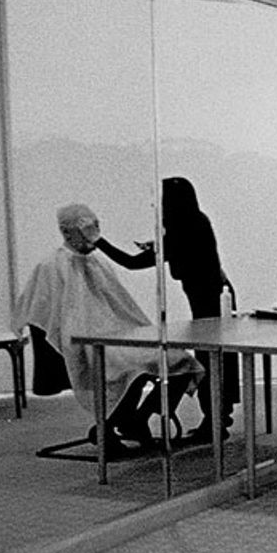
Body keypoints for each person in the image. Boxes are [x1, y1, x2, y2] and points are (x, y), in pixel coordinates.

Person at [14, 203, 202, 452]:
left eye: (97, 226)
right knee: (129, 368)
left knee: (182, 362)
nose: (94, 233)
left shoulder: (98, 263)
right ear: (67, 233)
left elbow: (122, 307)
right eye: (87, 229)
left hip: (122, 336)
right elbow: (42, 314)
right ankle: (112, 423)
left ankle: (138, 418)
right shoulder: (51, 266)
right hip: (87, 342)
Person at [94, 177, 237, 444]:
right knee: (215, 360)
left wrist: (99, 242)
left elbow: (132, 263)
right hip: (215, 295)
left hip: (210, 301)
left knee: (210, 360)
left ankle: (215, 424)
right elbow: (181, 249)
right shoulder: (195, 222)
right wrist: (159, 246)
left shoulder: (183, 231)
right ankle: (217, 420)